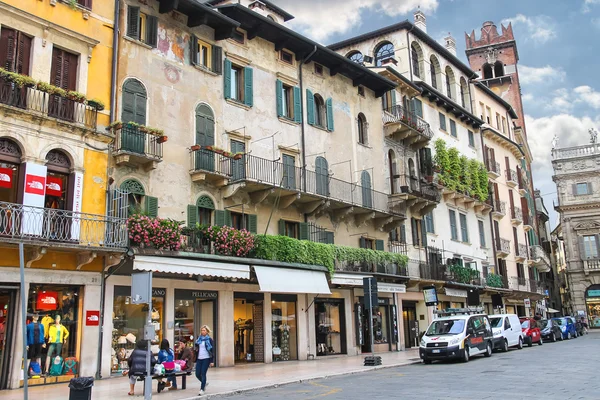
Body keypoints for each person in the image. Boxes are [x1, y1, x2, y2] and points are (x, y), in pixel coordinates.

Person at [195, 325, 214, 396]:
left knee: (203, 373)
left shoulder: (209, 340)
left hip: (206, 358)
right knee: (197, 374)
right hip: (199, 358)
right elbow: (197, 348)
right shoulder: (199, 339)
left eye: (204, 330)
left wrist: (212, 361)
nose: (203, 332)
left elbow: (212, 350)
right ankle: (204, 383)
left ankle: (202, 389)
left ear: (207, 331)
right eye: (202, 330)